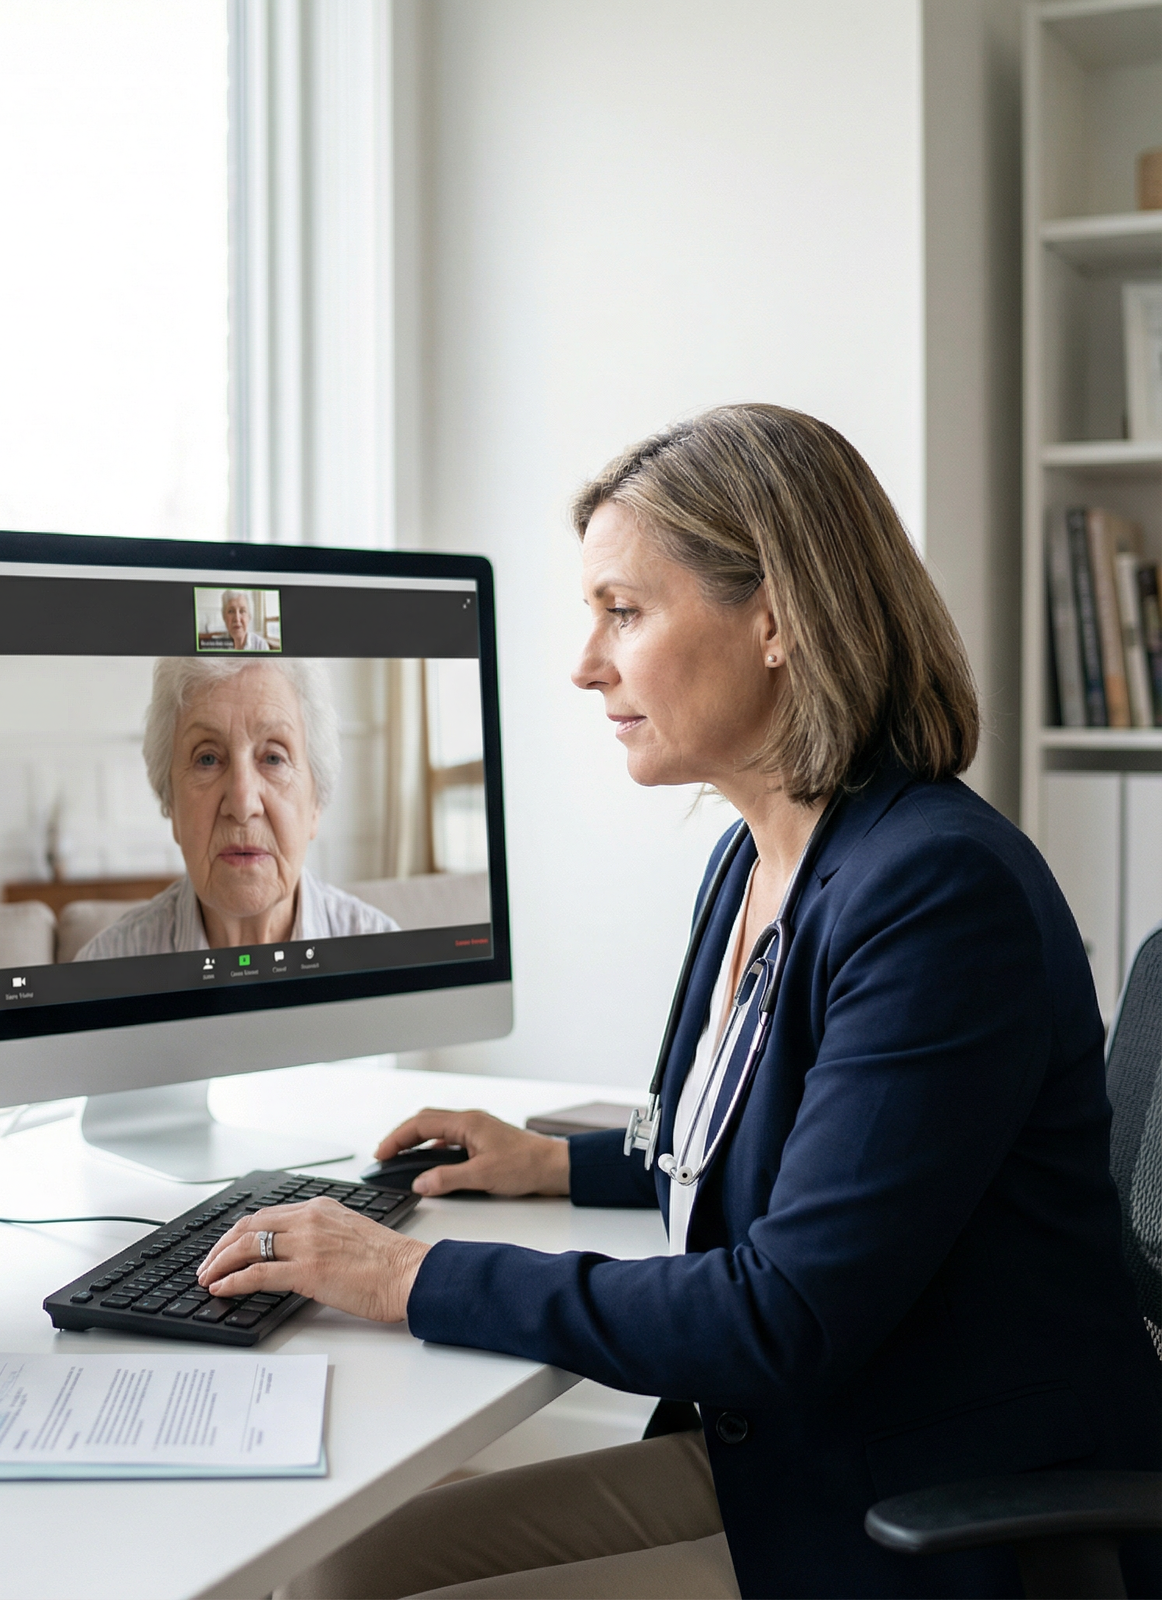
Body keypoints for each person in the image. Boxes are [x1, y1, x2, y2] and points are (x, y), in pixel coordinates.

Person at [194, 405, 1162, 1599]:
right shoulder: (755, 856)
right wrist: (561, 1163)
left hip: (928, 1513)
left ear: (775, 617)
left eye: (623, 609)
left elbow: (784, 1310)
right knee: (334, 1574)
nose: (584, 662)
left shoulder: (935, 896)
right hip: (800, 1452)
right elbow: (767, 1143)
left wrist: (403, 1278)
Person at [76, 656, 396, 959]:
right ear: (171, 803)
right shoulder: (105, 965)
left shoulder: (383, 957)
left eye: (273, 758)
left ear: (316, 804)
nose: (242, 805)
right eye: (207, 759)